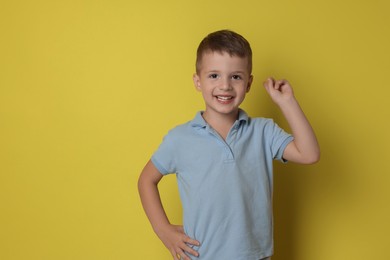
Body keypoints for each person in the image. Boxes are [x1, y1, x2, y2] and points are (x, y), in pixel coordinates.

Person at [138, 30, 320, 260]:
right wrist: (163, 230)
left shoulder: (263, 131)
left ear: (249, 82)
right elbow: (146, 180)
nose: (225, 86)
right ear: (197, 81)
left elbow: (310, 154)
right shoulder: (180, 139)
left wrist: (287, 103)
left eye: (235, 77)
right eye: (214, 75)